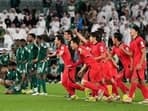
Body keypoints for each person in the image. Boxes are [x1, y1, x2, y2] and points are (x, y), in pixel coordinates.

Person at [48, 35, 84, 100]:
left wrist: (59, 55)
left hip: (71, 67)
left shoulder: (63, 46)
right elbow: (54, 54)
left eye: (55, 39)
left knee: (70, 83)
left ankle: (86, 89)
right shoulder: (58, 47)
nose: (54, 40)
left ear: (59, 40)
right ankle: (73, 95)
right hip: (67, 66)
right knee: (64, 82)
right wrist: (48, 55)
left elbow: (61, 53)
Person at [70, 37, 104, 102]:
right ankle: (95, 96)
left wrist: (85, 54)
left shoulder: (80, 49)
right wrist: (76, 67)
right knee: (92, 83)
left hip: (93, 66)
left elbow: (87, 55)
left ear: (75, 44)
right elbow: (81, 61)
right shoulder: (79, 49)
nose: (70, 45)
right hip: (93, 66)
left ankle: (99, 90)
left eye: (71, 43)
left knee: (83, 82)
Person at [123, 25, 148, 104]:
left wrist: (140, 63)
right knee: (141, 82)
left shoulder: (140, 39)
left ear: (136, 31)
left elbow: (144, 51)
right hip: (135, 64)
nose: (130, 31)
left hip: (139, 64)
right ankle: (147, 98)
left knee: (134, 80)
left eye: (132, 30)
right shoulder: (131, 41)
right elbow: (131, 54)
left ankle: (130, 97)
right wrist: (124, 50)